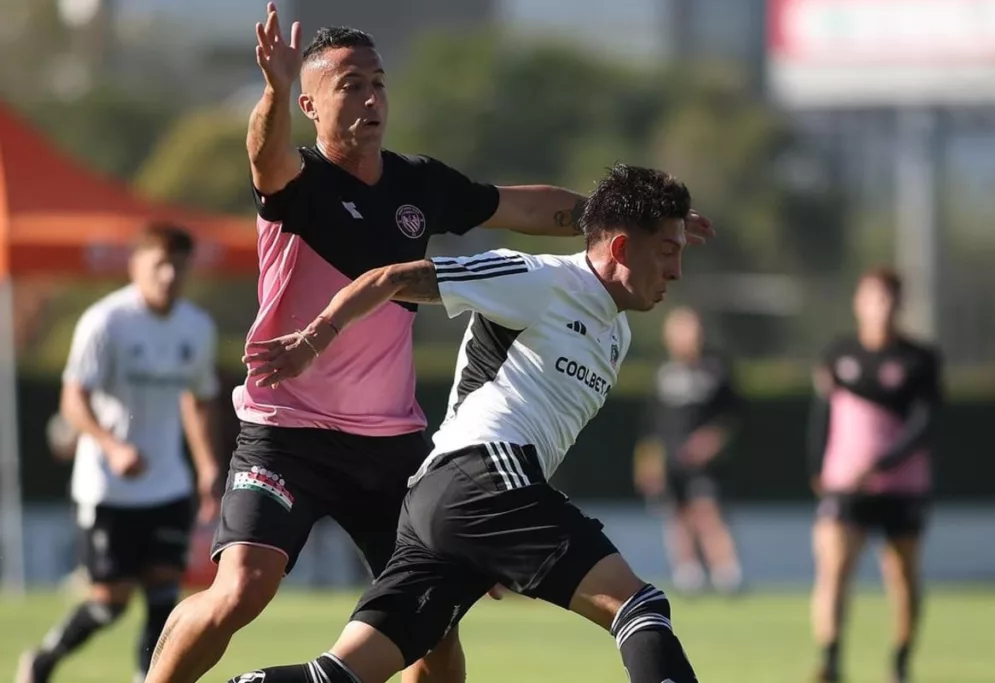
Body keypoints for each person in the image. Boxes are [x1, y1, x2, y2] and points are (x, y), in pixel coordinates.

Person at [143, 6, 716, 683]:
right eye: (351, 84)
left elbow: (524, 207)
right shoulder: (297, 182)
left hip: (390, 440)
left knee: (433, 637)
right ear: (309, 103)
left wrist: (637, 222)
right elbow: (262, 155)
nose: (371, 97)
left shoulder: (419, 185)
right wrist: (270, 90)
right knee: (243, 587)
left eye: (379, 83)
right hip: (286, 428)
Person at [231, 163, 702, 683]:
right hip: (482, 473)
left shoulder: (617, 334)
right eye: (667, 252)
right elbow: (391, 278)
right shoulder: (540, 280)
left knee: (338, 675)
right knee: (639, 606)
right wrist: (315, 337)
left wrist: (495, 541)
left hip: (446, 503)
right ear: (619, 250)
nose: (677, 272)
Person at [17, 224, 222, 683]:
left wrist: (208, 466)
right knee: (110, 601)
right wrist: (112, 445)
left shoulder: (197, 327)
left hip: (168, 484)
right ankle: (42, 661)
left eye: (178, 267)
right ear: (136, 267)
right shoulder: (105, 322)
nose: (168, 275)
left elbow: (199, 398)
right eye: (159, 265)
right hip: (107, 486)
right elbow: (73, 399)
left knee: (164, 593)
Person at [807, 268, 943, 683]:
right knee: (834, 567)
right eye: (872, 298)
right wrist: (817, 466)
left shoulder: (920, 360)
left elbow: (926, 424)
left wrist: (881, 464)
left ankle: (900, 660)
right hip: (845, 485)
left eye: (888, 299)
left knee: (902, 576)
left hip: (901, 487)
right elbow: (823, 411)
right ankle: (829, 659)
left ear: (899, 306)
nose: (880, 308)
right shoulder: (839, 354)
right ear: (858, 302)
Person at [633, 306, 743, 594]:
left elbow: (733, 414)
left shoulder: (716, 368)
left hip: (705, 462)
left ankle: (727, 573)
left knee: (708, 511)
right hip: (671, 459)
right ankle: (688, 572)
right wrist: (647, 462)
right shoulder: (663, 372)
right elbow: (650, 425)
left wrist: (713, 440)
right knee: (677, 515)